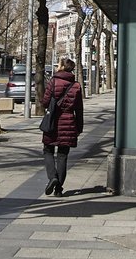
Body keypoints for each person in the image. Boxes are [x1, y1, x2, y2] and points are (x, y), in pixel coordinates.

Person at [41, 57, 83, 197]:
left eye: (58, 64)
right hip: (69, 122)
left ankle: (52, 177)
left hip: (52, 121)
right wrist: (79, 127)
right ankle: (59, 189)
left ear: (62, 67)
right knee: (63, 156)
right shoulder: (76, 85)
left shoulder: (53, 81)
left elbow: (45, 102)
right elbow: (79, 109)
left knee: (48, 150)